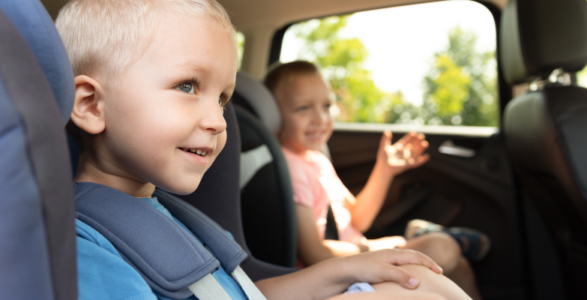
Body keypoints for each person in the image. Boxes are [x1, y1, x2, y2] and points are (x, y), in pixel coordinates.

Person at [55, 0, 473, 299]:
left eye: (222, 98)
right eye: (187, 86)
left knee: (420, 280)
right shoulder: (82, 245)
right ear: (92, 105)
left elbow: (237, 291)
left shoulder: (170, 212)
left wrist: (348, 268)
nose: (218, 121)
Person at [265, 61, 489, 300]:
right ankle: (431, 236)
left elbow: (358, 219)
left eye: (326, 106)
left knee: (460, 266)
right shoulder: (290, 168)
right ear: (276, 116)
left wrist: (384, 171)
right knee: (441, 248)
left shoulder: (316, 159)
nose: (320, 118)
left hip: (357, 256)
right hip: (336, 273)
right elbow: (316, 253)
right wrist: (380, 248)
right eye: (303, 108)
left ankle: (426, 236)